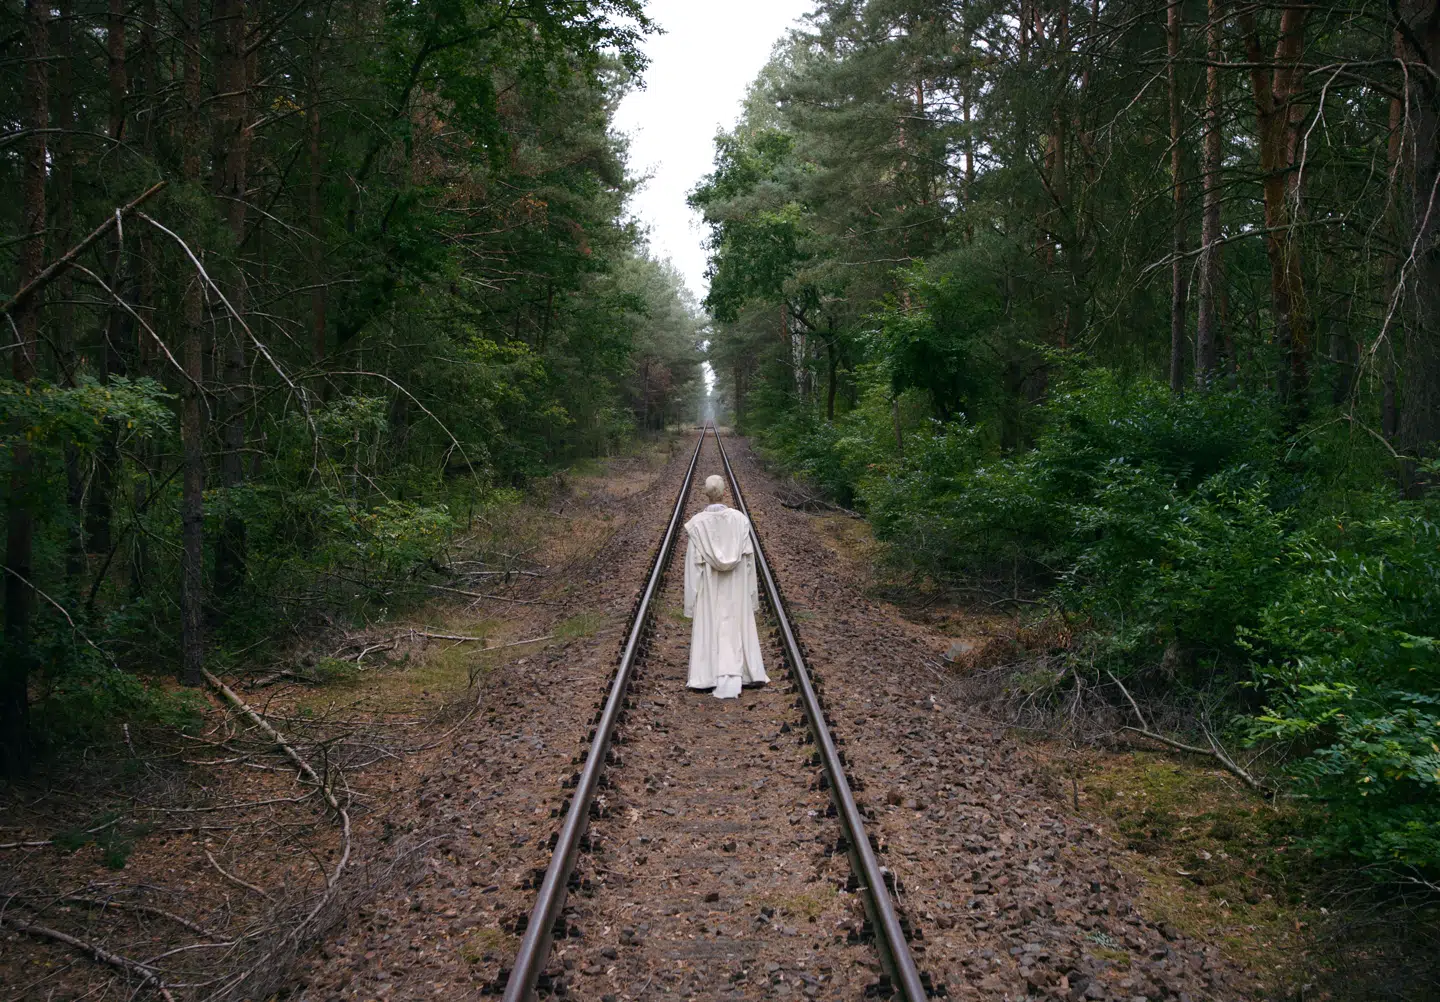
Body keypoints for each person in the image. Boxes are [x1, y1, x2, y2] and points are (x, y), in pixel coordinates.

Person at [682, 475, 769, 698]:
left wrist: (691, 603)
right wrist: (752, 597)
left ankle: (707, 673)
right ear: (724, 492)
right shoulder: (739, 521)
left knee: (710, 622)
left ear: (706, 493)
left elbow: (692, 567)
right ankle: (746, 671)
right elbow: (749, 561)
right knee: (737, 622)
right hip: (736, 583)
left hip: (709, 585)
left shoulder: (697, 524)